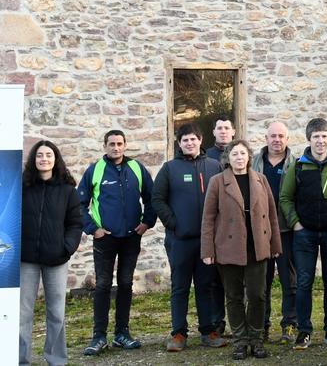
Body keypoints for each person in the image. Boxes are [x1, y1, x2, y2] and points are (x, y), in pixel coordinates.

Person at [201, 140, 283, 360]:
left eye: (243, 153)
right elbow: (208, 219)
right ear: (228, 157)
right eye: (235, 153)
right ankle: (240, 341)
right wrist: (207, 250)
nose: (239, 157)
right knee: (234, 296)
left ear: (249, 157)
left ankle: (256, 339)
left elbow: (272, 216)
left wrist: (275, 244)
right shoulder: (217, 182)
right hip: (228, 248)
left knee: (258, 295)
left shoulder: (261, 179)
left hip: (257, 246)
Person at [77, 130, 155, 356]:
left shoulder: (137, 169)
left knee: (125, 283)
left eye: (120, 143)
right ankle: (99, 336)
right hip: (105, 239)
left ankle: (122, 333)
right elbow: (79, 204)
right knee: (102, 285)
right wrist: (93, 229)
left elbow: (152, 198)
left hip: (131, 237)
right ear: (105, 146)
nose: (116, 147)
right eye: (111, 144)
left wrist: (146, 224)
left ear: (125, 145)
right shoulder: (95, 170)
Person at [153, 123, 227, 352]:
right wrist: (174, 224)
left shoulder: (215, 166)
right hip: (180, 240)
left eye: (193, 139)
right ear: (179, 143)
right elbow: (157, 199)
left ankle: (208, 331)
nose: (189, 143)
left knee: (206, 286)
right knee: (180, 287)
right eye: (184, 140)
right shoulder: (169, 168)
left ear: (200, 140)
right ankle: (178, 333)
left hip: (207, 241)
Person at [280, 118, 327, 350]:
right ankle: (304, 331)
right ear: (309, 139)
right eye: (315, 137)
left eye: (324, 136)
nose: (320, 141)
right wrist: (295, 223)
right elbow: (285, 197)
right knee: (304, 283)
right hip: (305, 234)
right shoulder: (298, 166)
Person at [20, 140, 82, 366]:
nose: (44, 159)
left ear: (55, 159)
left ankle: (56, 359)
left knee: (56, 312)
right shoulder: (23, 188)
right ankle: (21, 359)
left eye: (48, 155)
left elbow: (76, 223)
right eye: (39, 155)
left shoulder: (67, 191)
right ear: (33, 160)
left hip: (56, 259)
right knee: (23, 313)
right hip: (26, 260)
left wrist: (66, 247)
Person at [253, 121, 298, 343]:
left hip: (286, 231)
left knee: (290, 282)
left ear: (287, 139)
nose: (277, 139)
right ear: (266, 138)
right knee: (262, 282)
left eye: (281, 135)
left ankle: (289, 325)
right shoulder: (254, 163)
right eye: (273, 136)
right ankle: (262, 326)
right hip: (261, 233)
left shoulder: (296, 164)